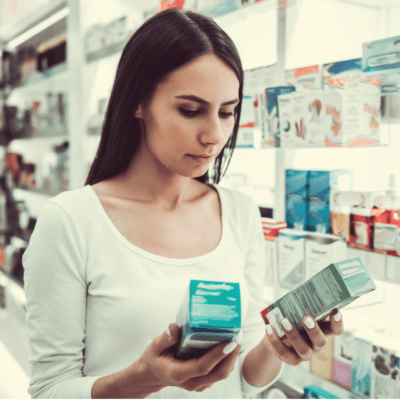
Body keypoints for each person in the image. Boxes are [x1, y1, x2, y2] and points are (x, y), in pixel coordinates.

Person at [22, 8, 344, 399]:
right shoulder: (71, 221)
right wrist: (144, 376)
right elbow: (49, 389)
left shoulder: (239, 212)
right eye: (190, 110)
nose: (215, 134)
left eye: (228, 112)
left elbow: (245, 376)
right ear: (137, 103)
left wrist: (276, 349)